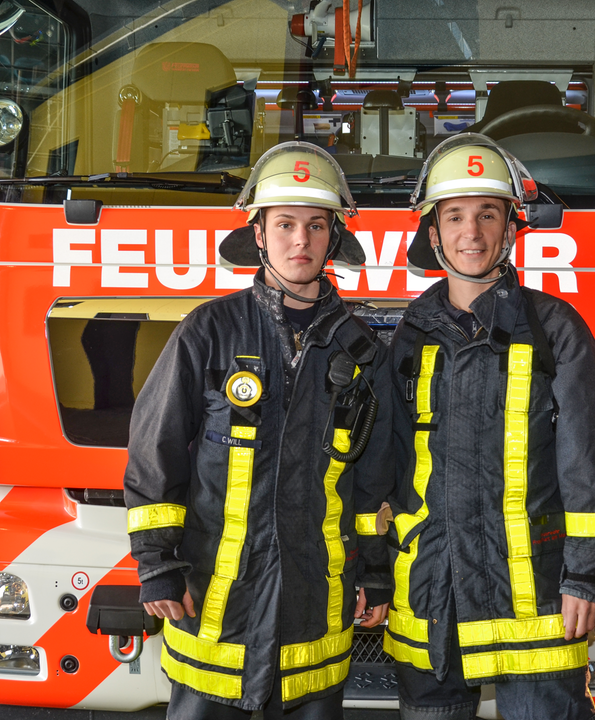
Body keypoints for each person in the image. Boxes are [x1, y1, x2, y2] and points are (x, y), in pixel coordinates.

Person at [123, 142, 393, 719]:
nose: (301, 240)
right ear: (260, 235)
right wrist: (158, 565)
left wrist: (375, 571)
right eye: (286, 224)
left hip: (314, 607)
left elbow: (371, 483)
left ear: (333, 239)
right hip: (217, 605)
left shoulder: (362, 349)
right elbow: (155, 451)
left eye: (316, 225)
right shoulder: (209, 330)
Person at [383, 133, 595, 720]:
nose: (472, 232)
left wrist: (586, 578)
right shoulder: (411, 332)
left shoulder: (554, 327)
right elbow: (388, 464)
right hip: (433, 596)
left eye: (487, 214)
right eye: (455, 216)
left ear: (511, 228)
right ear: (433, 234)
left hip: (534, 600)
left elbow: (589, 461)